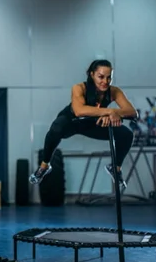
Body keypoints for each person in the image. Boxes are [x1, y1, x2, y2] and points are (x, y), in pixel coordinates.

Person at [29, 59, 137, 189]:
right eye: (101, 77)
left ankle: (115, 168)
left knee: (126, 134)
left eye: (109, 78)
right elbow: (79, 111)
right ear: (91, 74)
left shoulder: (114, 91)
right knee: (55, 129)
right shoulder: (79, 88)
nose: (105, 81)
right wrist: (110, 112)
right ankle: (44, 166)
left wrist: (113, 114)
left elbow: (132, 112)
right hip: (71, 121)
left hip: (92, 123)